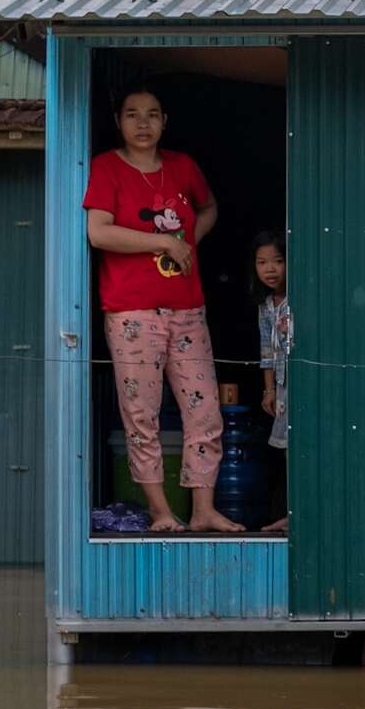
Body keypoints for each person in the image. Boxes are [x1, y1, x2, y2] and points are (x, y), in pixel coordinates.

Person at [83, 84, 243, 533]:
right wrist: (163, 242)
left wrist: (187, 242)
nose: (142, 123)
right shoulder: (107, 168)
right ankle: (160, 511)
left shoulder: (181, 166)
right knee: (142, 413)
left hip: (188, 308)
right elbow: (99, 232)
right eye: (132, 114)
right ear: (119, 121)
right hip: (133, 312)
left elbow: (208, 208)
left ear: (164, 121)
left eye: (152, 114)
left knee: (205, 411)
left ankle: (203, 511)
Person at [252, 231, 292, 533]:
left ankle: (299, 512)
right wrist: (269, 390)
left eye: (278, 261)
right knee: (288, 452)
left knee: (301, 448)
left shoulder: (298, 299)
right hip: (282, 386)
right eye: (262, 262)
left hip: (301, 381)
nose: (270, 269)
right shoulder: (266, 307)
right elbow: (266, 350)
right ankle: (293, 512)